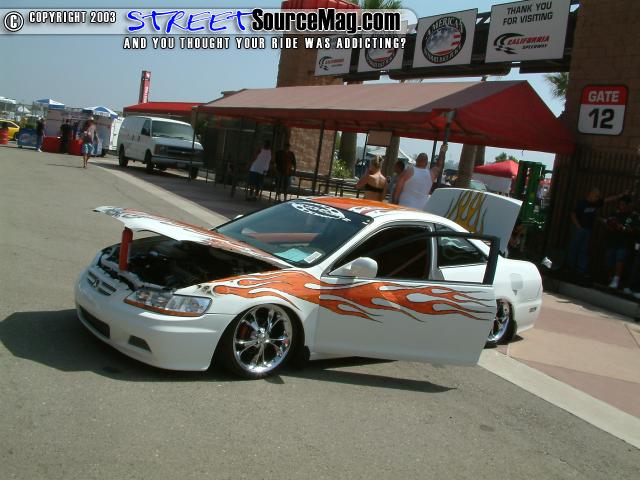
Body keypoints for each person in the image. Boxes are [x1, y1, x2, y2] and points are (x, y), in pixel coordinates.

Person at [567, 187, 628, 275]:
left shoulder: (596, 203)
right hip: (579, 229)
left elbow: (607, 199)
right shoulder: (582, 203)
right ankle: (570, 267)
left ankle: (581, 270)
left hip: (588, 229)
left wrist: (621, 195)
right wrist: (578, 226)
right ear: (591, 194)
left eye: (598, 196)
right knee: (574, 247)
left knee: (584, 249)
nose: (597, 198)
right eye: (596, 196)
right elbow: (573, 214)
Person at [392, 143, 447, 209]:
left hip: (405, 206)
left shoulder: (408, 171)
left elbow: (397, 189)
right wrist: (442, 151)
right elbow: (439, 165)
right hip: (421, 209)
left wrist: (394, 204)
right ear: (426, 162)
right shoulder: (431, 174)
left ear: (416, 160)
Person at [601, 195, 637, 289]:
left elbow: (634, 230)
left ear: (629, 205)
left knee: (619, 260)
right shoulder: (615, 213)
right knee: (609, 261)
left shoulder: (633, 216)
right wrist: (607, 223)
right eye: (620, 204)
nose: (621, 206)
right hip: (612, 241)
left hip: (624, 243)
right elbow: (609, 224)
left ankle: (616, 280)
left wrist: (621, 227)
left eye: (623, 204)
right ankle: (610, 279)